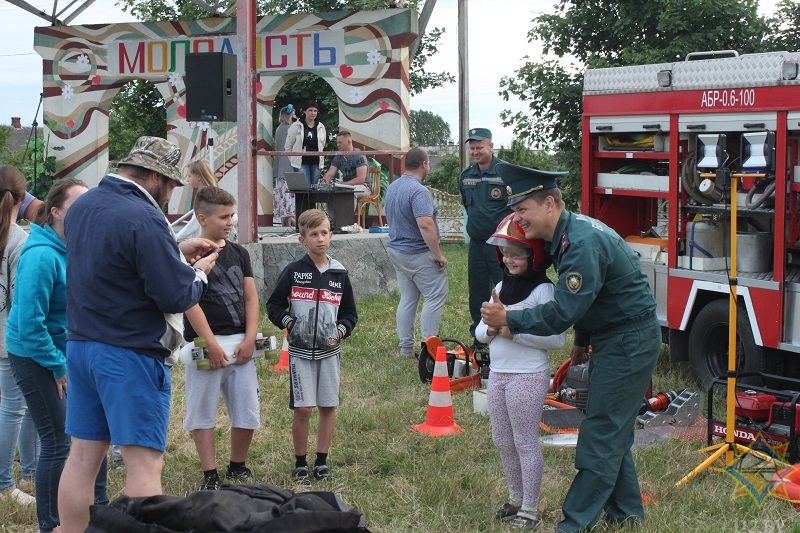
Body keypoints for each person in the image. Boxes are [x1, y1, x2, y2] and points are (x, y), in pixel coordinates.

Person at [480, 163, 661, 533]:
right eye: (514, 211)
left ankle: (573, 524)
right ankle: (626, 515)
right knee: (613, 429)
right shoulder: (567, 235)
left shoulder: (579, 242)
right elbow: (594, 298)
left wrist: (508, 320)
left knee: (600, 432)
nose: (518, 219)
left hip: (628, 341)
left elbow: (563, 310)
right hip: (615, 336)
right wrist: (583, 339)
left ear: (549, 203)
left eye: (522, 210)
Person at [59, 136, 219, 533]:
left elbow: (112, 260)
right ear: (154, 177)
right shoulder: (145, 217)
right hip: (129, 352)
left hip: (81, 346)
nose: (169, 196)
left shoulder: (83, 207)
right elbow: (174, 293)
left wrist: (174, 251)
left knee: (81, 457)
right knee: (144, 465)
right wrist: (197, 273)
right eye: (169, 185)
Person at [7, 178, 109, 533]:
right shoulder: (40, 256)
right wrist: (58, 367)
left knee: (94, 432)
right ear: (55, 212)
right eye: (77, 206)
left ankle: (100, 513)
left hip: (69, 353)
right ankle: (52, 524)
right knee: (58, 441)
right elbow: (28, 326)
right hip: (35, 356)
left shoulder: (76, 245)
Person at [475, 214, 566, 531]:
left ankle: (530, 507)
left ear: (534, 255)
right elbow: (479, 333)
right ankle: (514, 498)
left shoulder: (543, 291)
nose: (510, 259)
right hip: (498, 374)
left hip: (528, 376)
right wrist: (490, 327)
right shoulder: (500, 286)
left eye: (518, 252)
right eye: (506, 252)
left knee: (525, 442)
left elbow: (556, 338)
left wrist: (513, 331)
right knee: (502, 439)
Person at [266, 209, 357, 484]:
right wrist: (289, 323)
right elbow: (274, 305)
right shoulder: (293, 272)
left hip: (330, 353)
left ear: (331, 235)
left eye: (325, 233)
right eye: (313, 234)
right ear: (302, 239)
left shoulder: (339, 273)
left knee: (328, 406)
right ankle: (300, 463)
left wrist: (341, 331)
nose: (320, 239)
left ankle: (321, 461)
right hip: (300, 353)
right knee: (303, 409)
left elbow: (350, 314)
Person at [183, 186, 260, 491]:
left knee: (247, 408)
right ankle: (210, 473)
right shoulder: (190, 255)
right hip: (204, 346)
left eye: (232, 215)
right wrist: (211, 342)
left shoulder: (239, 253)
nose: (230, 222)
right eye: (223, 217)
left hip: (241, 342)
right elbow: (189, 301)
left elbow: (251, 297)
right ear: (202, 218)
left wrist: (251, 337)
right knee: (202, 409)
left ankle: (237, 465)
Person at [383, 148, 448, 358]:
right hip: (417, 252)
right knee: (435, 295)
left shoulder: (393, 187)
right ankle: (429, 348)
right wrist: (438, 254)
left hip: (397, 250)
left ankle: (406, 348)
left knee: (408, 298)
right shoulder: (419, 191)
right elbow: (426, 225)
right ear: (424, 164)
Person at [0, 165, 37, 506]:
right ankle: (4, 484)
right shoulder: (19, 240)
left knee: (15, 410)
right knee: (14, 411)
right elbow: (19, 299)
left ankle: (30, 472)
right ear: (23, 200)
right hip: (8, 342)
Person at [459, 127, 511, 353]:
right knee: (477, 292)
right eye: (472, 148)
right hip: (478, 245)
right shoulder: (466, 176)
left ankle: (507, 330)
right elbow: (467, 205)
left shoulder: (505, 173)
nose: (475, 152)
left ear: (491, 146)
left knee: (505, 288)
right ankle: (480, 336)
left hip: (501, 245)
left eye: (479, 147)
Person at [320, 131, 371, 209]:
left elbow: (361, 179)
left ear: (349, 142)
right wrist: (322, 185)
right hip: (346, 186)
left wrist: (344, 184)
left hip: (363, 186)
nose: (337, 145)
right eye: (337, 143)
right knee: (331, 193)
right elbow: (330, 173)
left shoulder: (358, 155)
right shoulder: (338, 157)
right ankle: (332, 220)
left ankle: (347, 220)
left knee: (350, 193)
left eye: (340, 143)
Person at [175, 159, 218, 241]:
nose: (187, 180)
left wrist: (175, 238)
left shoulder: (205, 196)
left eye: (189, 176)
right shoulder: (212, 193)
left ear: (198, 177)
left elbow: (194, 223)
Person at [286, 99, 326, 188]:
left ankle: (312, 203)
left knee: (314, 189)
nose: (313, 113)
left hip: (316, 163)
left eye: (315, 111)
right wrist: (293, 159)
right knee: (304, 189)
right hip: (301, 163)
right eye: (310, 110)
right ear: (305, 111)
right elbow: (288, 146)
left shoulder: (321, 126)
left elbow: (322, 144)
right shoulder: (296, 126)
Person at [274, 104, 297, 227]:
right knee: (290, 193)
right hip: (289, 165)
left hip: (279, 167)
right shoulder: (292, 128)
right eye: (294, 115)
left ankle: (285, 219)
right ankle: (291, 217)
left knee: (282, 194)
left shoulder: (279, 129)